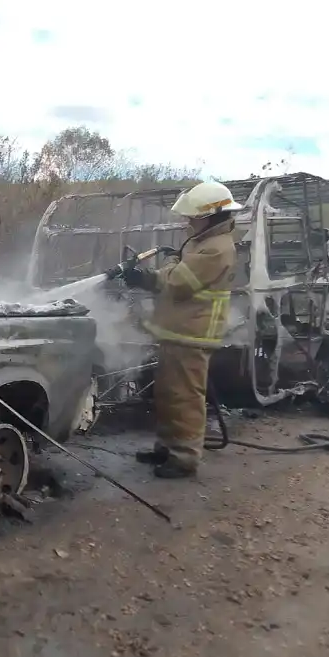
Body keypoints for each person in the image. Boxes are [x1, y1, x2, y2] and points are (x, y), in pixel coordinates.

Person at [111, 181, 242, 478]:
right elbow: (177, 275)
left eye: (192, 217)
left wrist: (150, 276)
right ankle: (167, 448)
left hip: (193, 335)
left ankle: (184, 458)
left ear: (210, 216)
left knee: (185, 398)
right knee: (169, 395)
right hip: (179, 333)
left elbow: (178, 283)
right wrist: (164, 266)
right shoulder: (203, 242)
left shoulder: (216, 248)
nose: (187, 222)